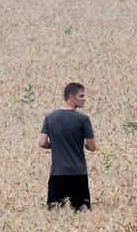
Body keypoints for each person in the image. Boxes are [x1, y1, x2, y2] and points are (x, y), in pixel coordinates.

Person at [38, 82, 97, 211]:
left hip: (57, 174)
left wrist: (56, 144)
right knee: (83, 213)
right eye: (81, 96)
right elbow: (92, 147)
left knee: (54, 213)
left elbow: (41, 143)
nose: (84, 99)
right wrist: (80, 142)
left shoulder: (50, 117)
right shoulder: (83, 119)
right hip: (78, 173)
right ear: (71, 97)